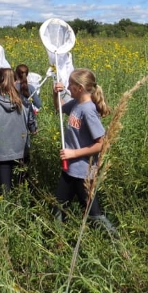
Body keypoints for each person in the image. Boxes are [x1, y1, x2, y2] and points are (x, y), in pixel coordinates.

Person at [52, 68, 118, 238]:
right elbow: (59, 110)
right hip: (69, 171)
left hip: (83, 173)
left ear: (79, 88)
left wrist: (73, 154)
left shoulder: (88, 110)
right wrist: (55, 94)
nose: (67, 87)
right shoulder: (76, 104)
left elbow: (102, 145)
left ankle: (116, 243)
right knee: (58, 207)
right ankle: (58, 243)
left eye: (70, 85)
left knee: (93, 214)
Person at [0, 68, 37, 195]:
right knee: (22, 190)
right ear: (15, 81)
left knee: (4, 193)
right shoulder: (24, 101)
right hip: (21, 151)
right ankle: (23, 212)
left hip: (0, 153)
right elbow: (33, 126)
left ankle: (3, 213)